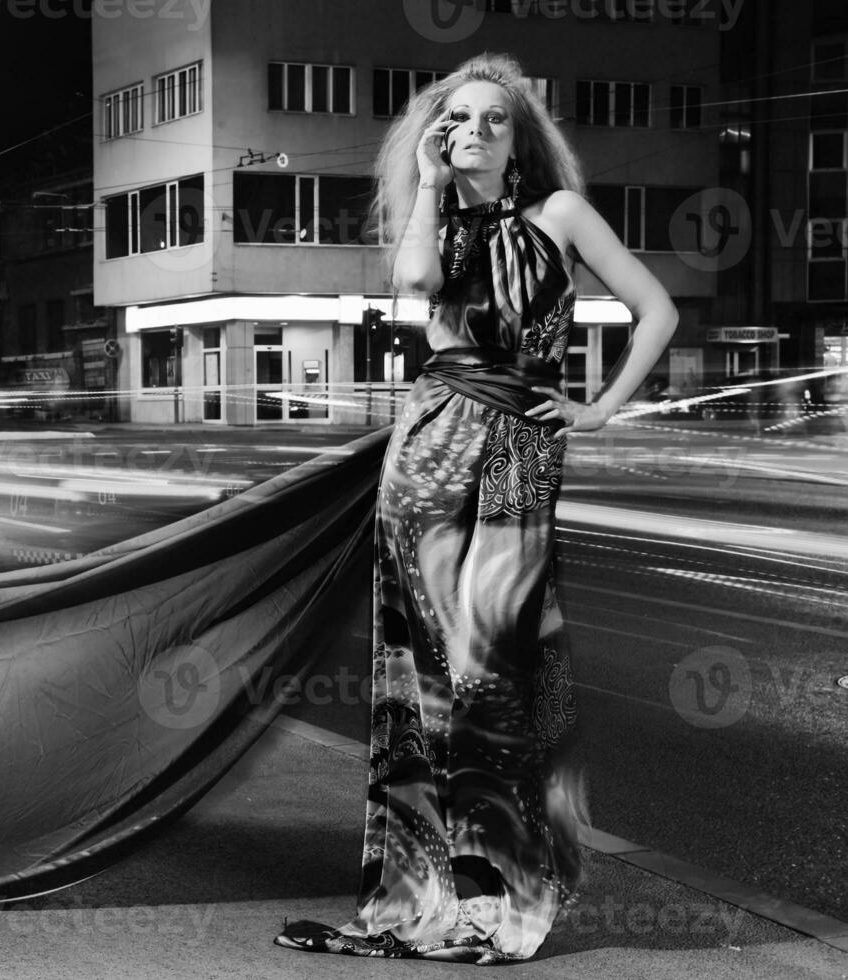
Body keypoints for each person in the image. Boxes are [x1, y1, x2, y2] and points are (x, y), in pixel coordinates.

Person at [274, 52, 677, 964]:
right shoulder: (436, 222)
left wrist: (599, 407)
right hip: (427, 448)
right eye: (456, 119)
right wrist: (424, 182)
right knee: (422, 669)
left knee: (492, 668)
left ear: (519, 137)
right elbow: (416, 286)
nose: (474, 132)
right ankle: (426, 887)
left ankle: (500, 892)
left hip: (523, 447)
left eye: (493, 119)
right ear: (438, 134)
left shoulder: (560, 215)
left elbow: (656, 310)